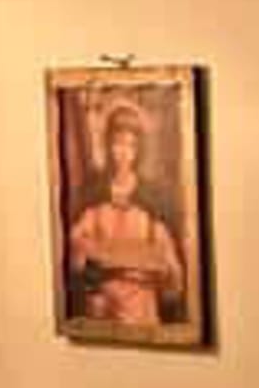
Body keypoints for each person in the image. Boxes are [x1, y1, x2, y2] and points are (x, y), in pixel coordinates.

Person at [66, 90, 188, 339]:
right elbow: (78, 253)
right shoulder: (94, 191)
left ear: (139, 149)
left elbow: (170, 271)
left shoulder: (153, 197)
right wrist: (92, 282)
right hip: (103, 305)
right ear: (108, 145)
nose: (123, 151)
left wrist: (163, 269)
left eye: (130, 145)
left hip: (141, 302)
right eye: (117, 143)